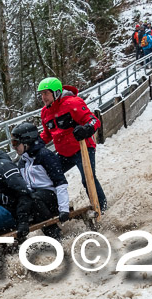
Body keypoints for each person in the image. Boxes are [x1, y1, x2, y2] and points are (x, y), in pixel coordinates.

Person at [38, 77, 107, 212]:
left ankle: (101, 207)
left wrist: (86, 129)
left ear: (56, 92)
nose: (43, 97)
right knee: (50, 177)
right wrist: (34, 143)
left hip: (83, 149)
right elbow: (46, 135)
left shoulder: (72, 103)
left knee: (88, 179)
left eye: (46, 93)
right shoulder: (45, 112)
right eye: (41, 94)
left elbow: (94, 121)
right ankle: (56, 209)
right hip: (64, 153)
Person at [11, 122, 70, 240]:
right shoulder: (22, 161)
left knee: (33, 199)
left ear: (27, 141)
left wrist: (64, 209)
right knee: (20, 199)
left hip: (52, 197)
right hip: (36, 197)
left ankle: (55, 235)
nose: (14, 147)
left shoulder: (45, 156)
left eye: (15, 143)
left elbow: (60, 182)